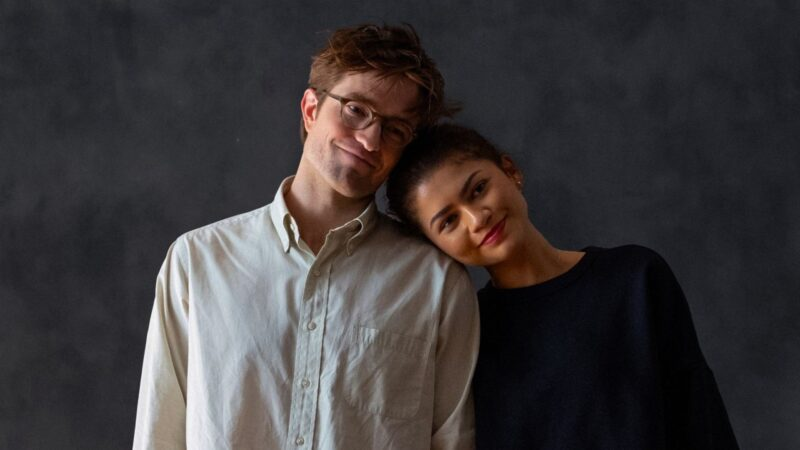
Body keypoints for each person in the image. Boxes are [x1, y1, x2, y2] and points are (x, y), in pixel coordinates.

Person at [133, 25, 479, 450]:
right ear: (311, 108)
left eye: (394, 130)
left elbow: (451, 441)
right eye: (356, 109)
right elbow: (159, 438)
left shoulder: (436, 284)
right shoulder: (198, 262)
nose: (370, 138)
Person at [385, 123, 739, 449]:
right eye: (449, 221)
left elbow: (700, 419)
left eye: (479, 189)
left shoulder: (635, 278)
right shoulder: (466, 333)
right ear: (436, 245)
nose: (477, 219)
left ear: (511, 171)